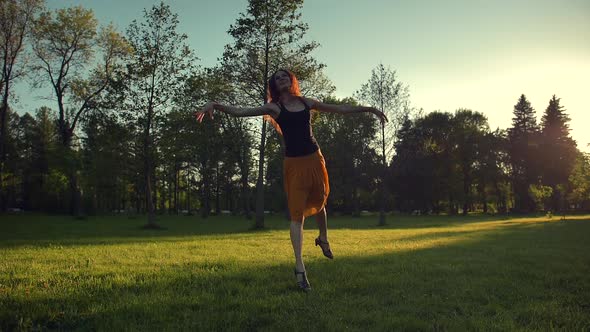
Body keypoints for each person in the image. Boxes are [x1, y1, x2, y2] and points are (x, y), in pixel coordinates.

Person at [195, 69, 387, 291]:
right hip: (294, 165)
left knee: (321, 203)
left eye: (285, 76)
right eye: (278, 78)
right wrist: (215, 105)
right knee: (297, 216)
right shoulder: (274, 108)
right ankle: (300, 268)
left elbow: (341, 109)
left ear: (292, 80)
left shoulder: (306, 102)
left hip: (315, 159)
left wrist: (370, 109)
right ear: (274, 86)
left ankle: (323, 238)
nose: (282, 79)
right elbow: (240, 111)